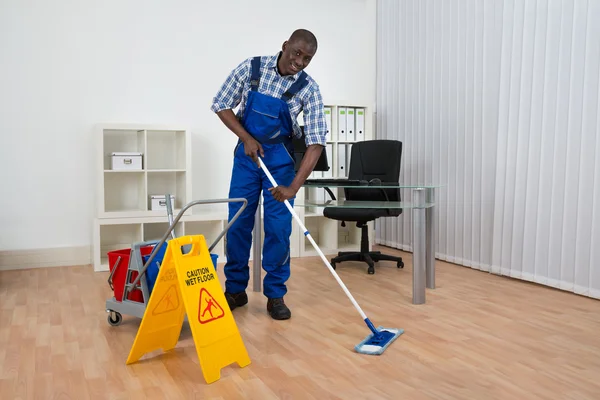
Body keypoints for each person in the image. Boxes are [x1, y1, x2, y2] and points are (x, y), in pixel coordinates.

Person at [210, 29, 327, 320]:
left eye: (307, 59)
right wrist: (246, 138)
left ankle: (275, 294)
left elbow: (315, 144)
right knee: (238, 223)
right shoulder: (252, 68)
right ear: (285, 46)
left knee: (278, 229)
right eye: (296, 53)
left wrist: (293, 188)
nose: (299, 62)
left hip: (280, 161)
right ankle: (235, 289)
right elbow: (220, 104)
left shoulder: (308, 89)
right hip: (247, 158)